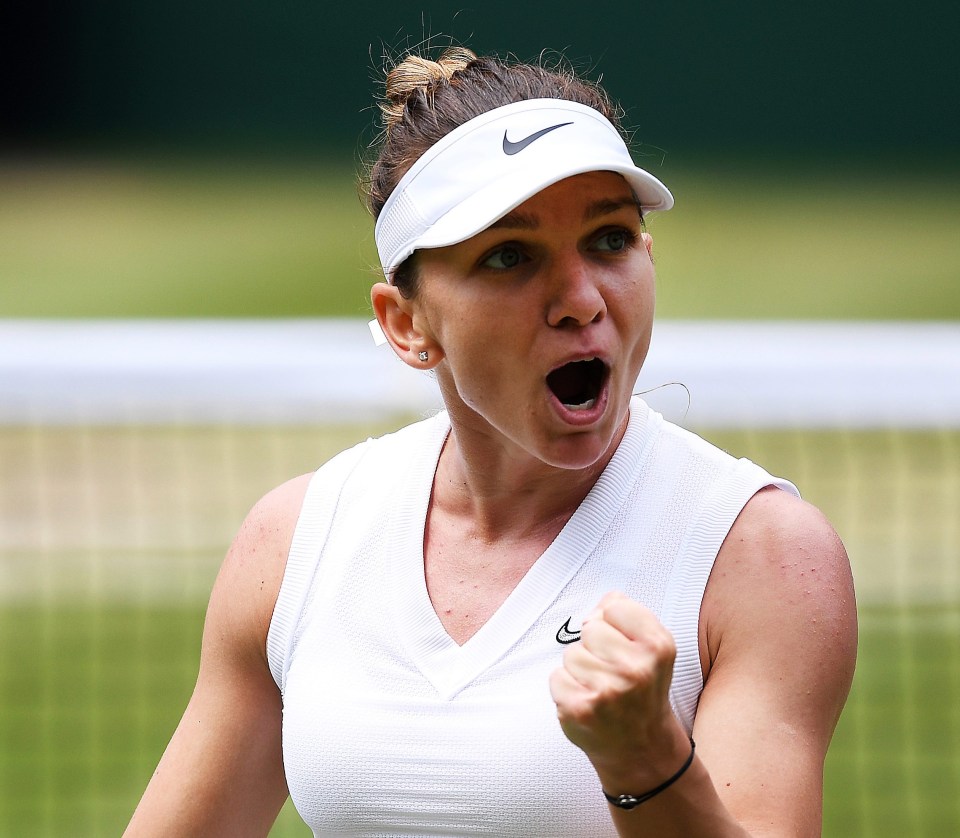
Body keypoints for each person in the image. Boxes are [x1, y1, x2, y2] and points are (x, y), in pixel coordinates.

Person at [125, 46, 857, 837]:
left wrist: (648, 763)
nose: (581, 300)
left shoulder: (767, 556)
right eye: (510, 256)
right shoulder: (296, 540)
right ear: (405, 324)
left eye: (609, 240)